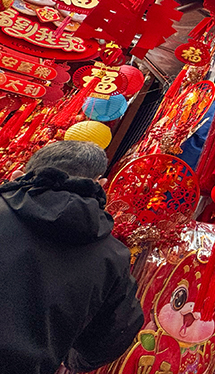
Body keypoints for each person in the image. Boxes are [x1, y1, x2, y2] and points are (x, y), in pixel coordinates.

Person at [0, 141, 144, 373]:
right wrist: (70, 360)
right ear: (101, 184)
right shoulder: (112, 256)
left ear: (22, 173)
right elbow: (112, 336)